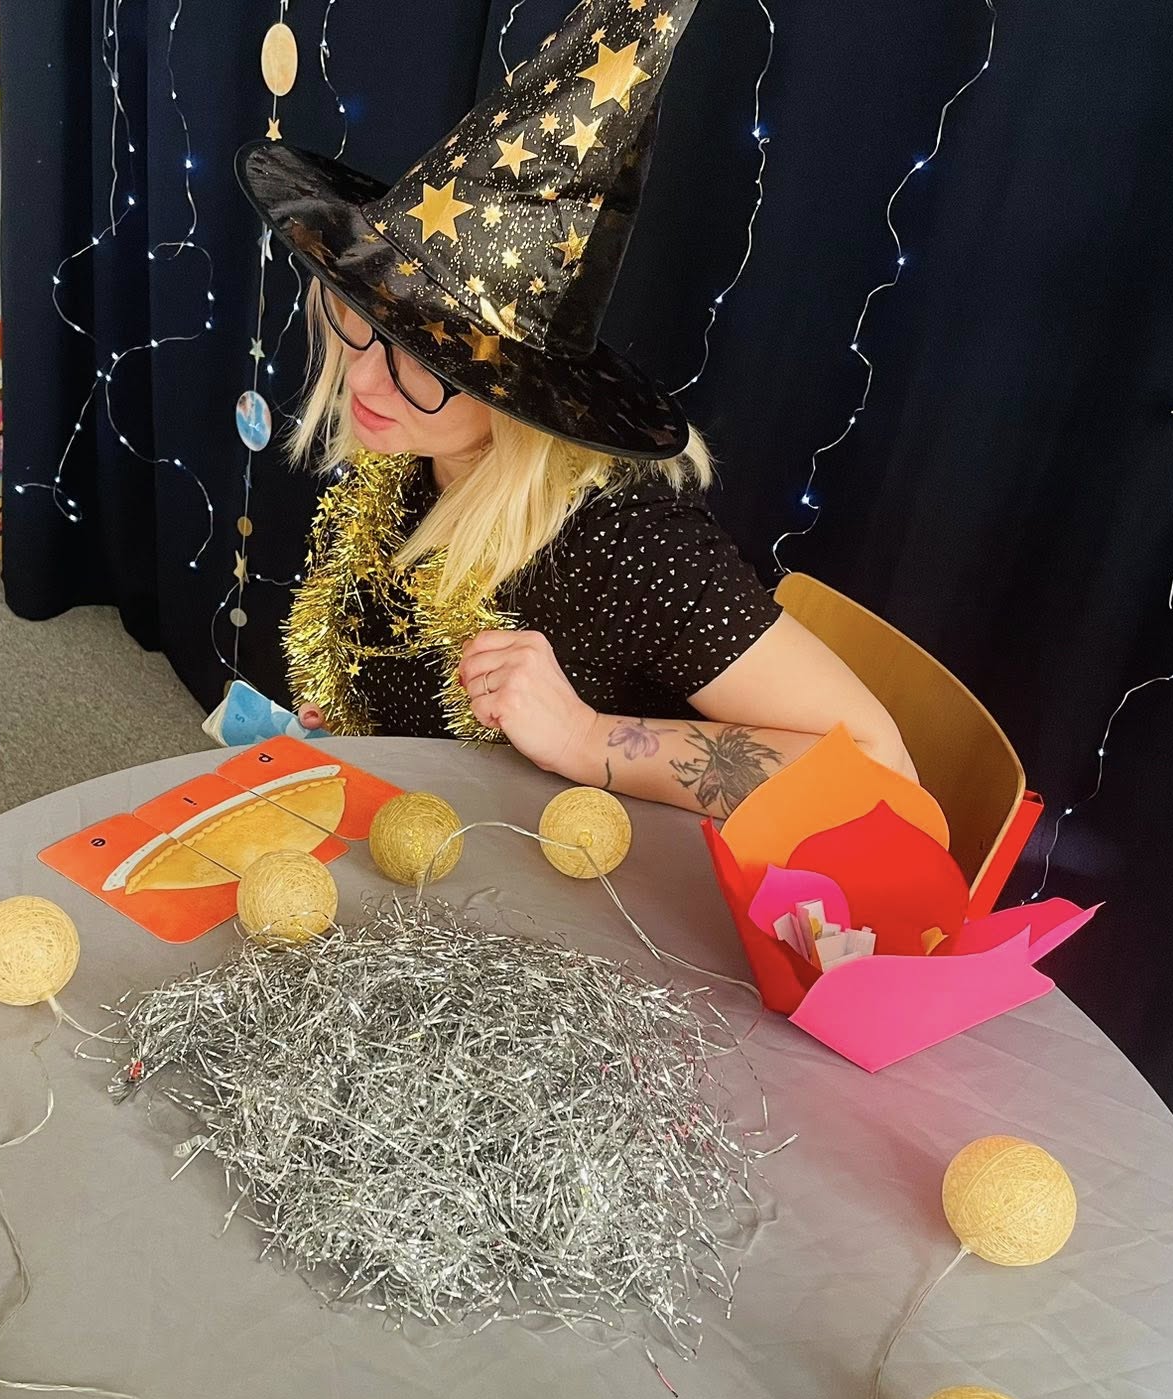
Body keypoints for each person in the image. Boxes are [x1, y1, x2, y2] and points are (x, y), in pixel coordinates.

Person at [237, 0, 913, 816]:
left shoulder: (624, 542)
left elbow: (878, 772)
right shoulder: (413, 456)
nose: (367, 385)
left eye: (427, 364)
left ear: (520, 394)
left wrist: (588, 738)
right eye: (364, 325)